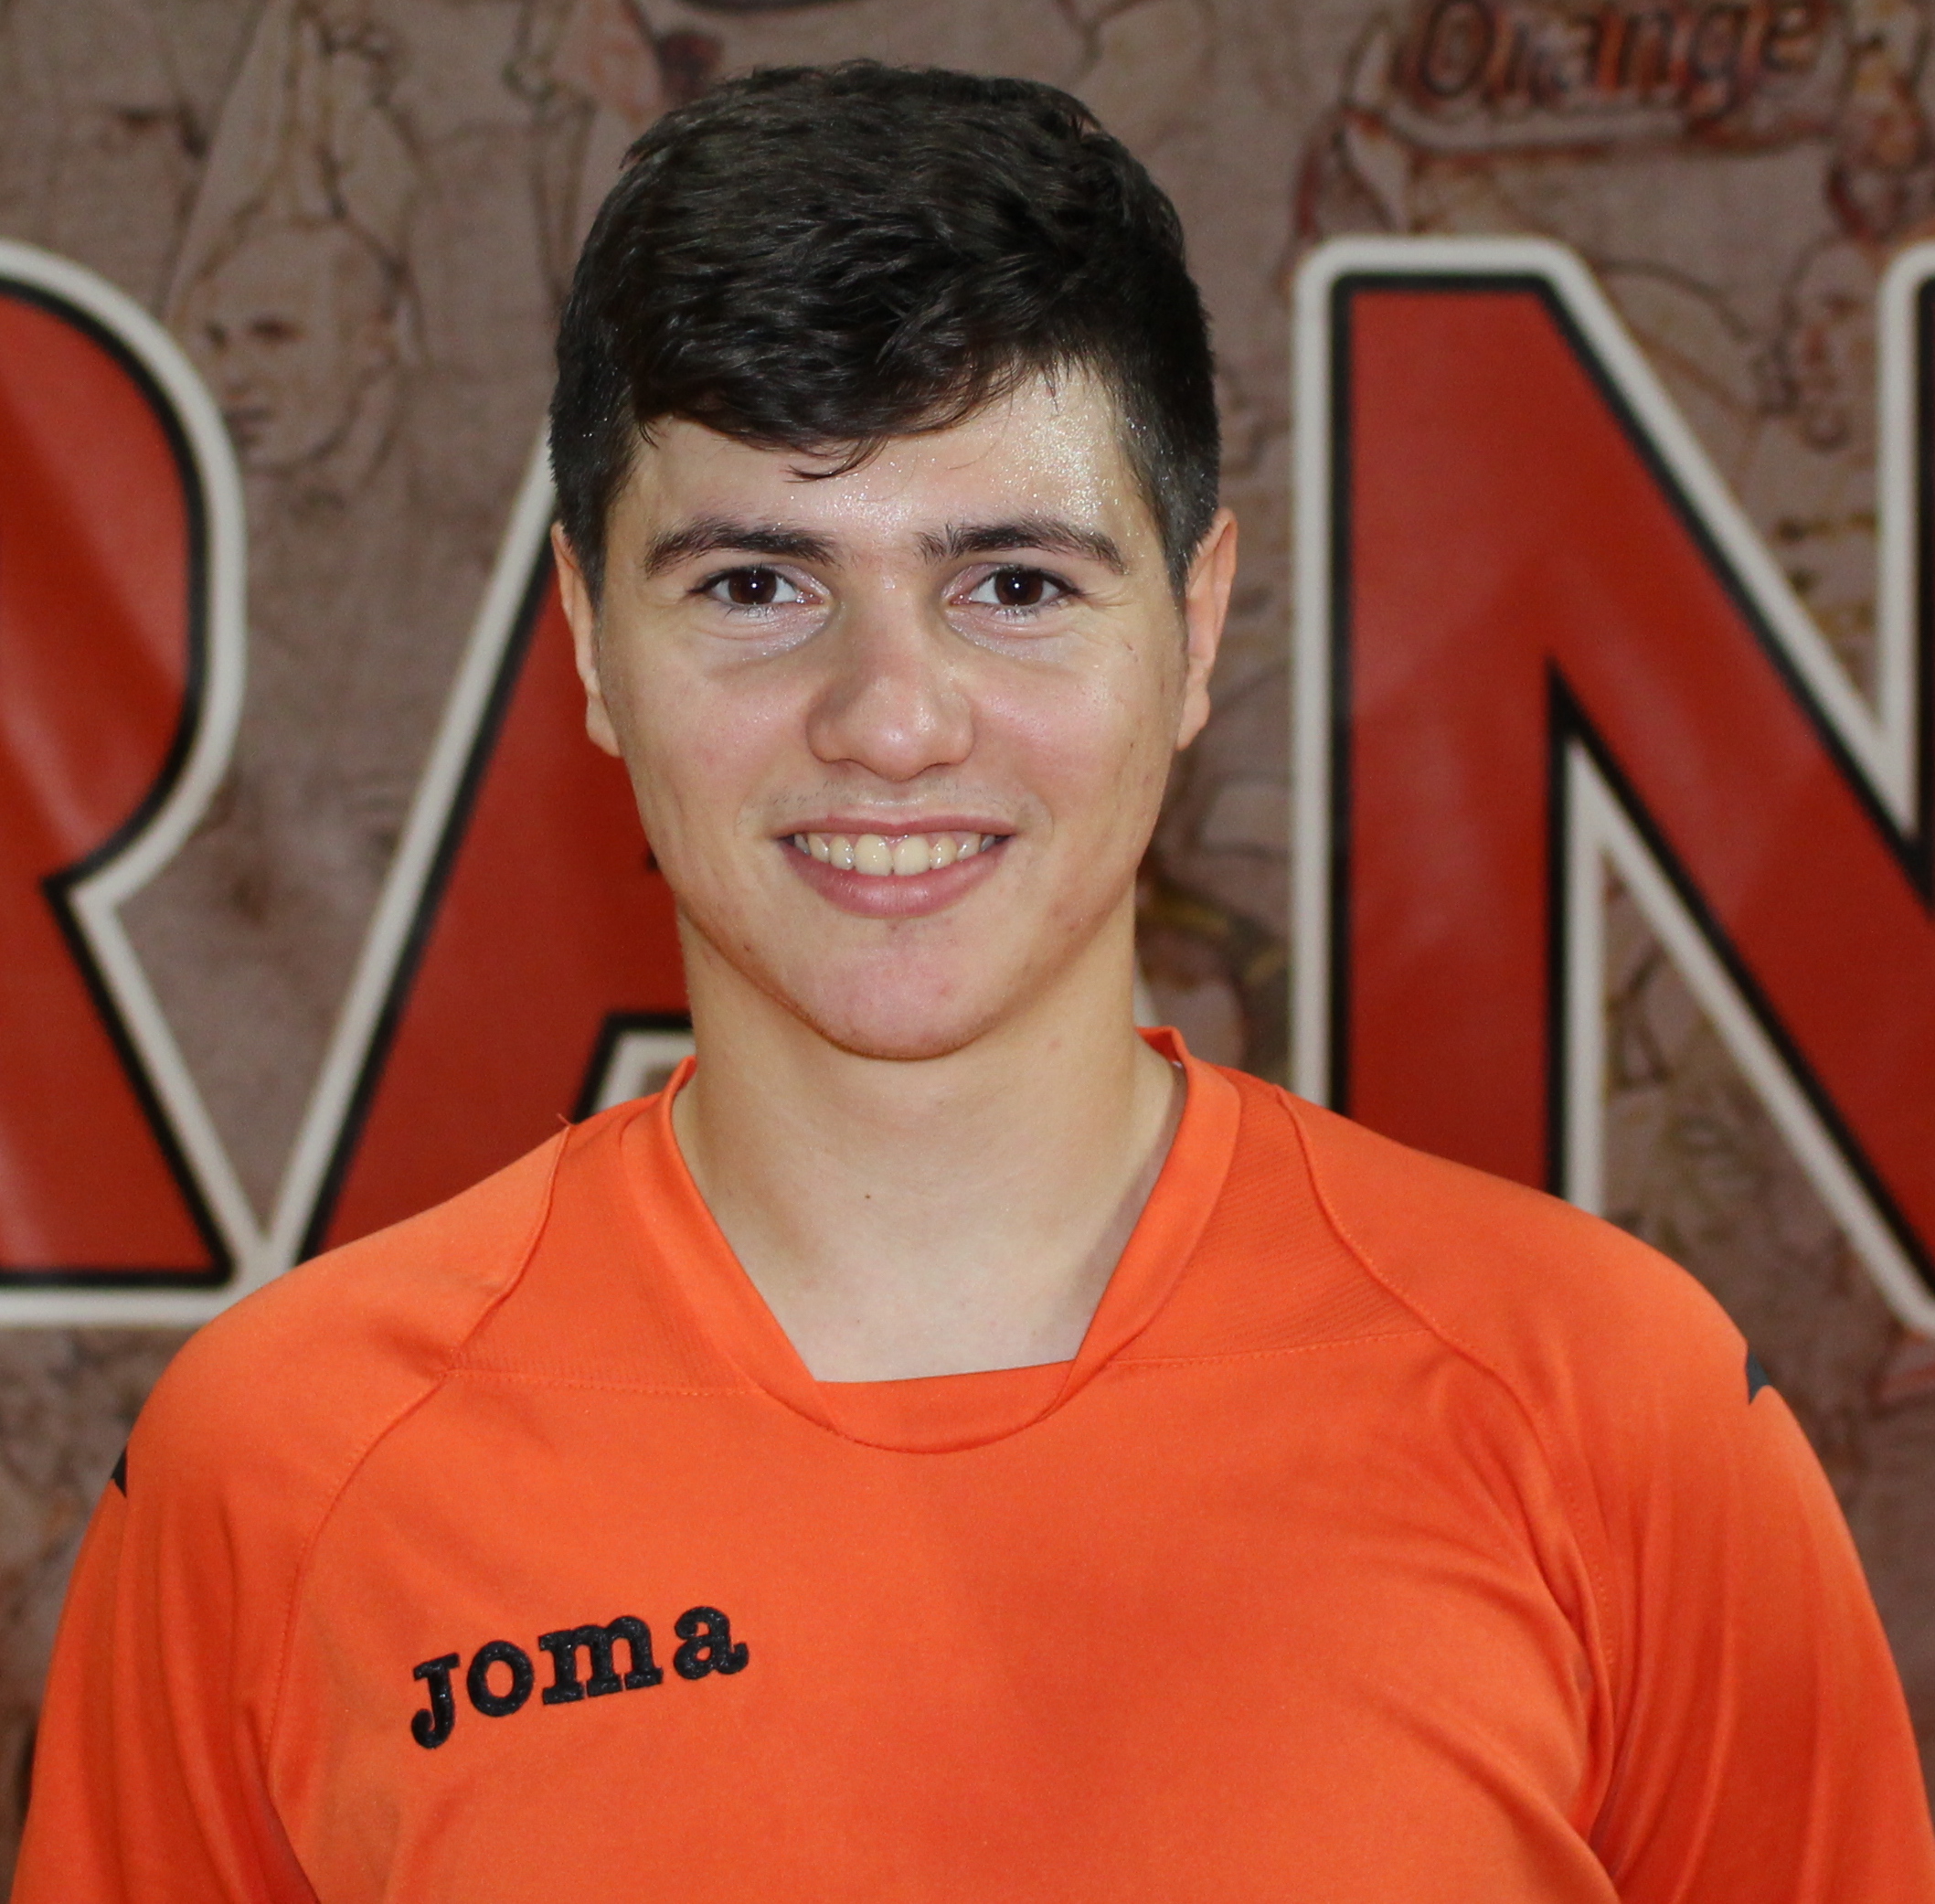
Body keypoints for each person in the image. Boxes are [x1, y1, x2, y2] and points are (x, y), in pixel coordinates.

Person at [16, 61, 1935, 1902]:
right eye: (757, 585)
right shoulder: (282, 1471)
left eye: (1013, 584)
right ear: (591, 642)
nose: (890, 719)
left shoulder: (1607, 1409)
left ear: (1193, 628)